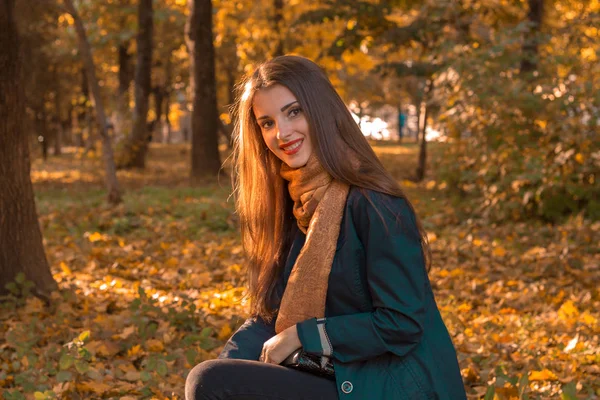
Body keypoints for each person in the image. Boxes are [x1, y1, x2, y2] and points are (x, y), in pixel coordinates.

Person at [185, 55, 466, 400]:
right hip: (337, 375)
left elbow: (402, 324)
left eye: (294, 112)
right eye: (267, 123)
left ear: (320, 109)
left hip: (389, 385)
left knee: (211, 381)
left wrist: (307, 335)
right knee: (212, 379)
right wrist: (230, 364)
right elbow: (269, 315)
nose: (282, 133)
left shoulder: (375, 204)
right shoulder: (296, 205)